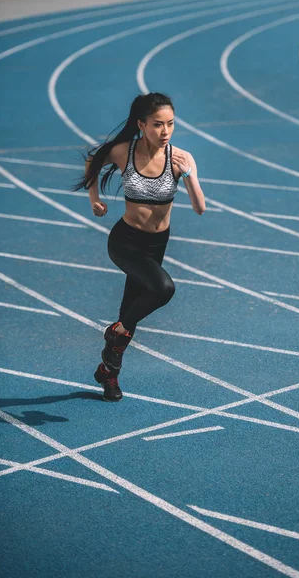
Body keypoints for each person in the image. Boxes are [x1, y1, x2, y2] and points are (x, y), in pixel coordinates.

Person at [74, 93, 206, 402]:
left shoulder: (180, 158)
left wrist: (188, 175)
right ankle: (115, 332)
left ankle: (108, 373)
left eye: (170, 124)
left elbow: (200, 207)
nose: (165, 131)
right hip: (125, 241)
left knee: (129, 310)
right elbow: (94, 160)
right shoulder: (124, 152)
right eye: (158, 124)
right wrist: (93, 198)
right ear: (141, 125)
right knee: (163, 289)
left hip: (156, 244)